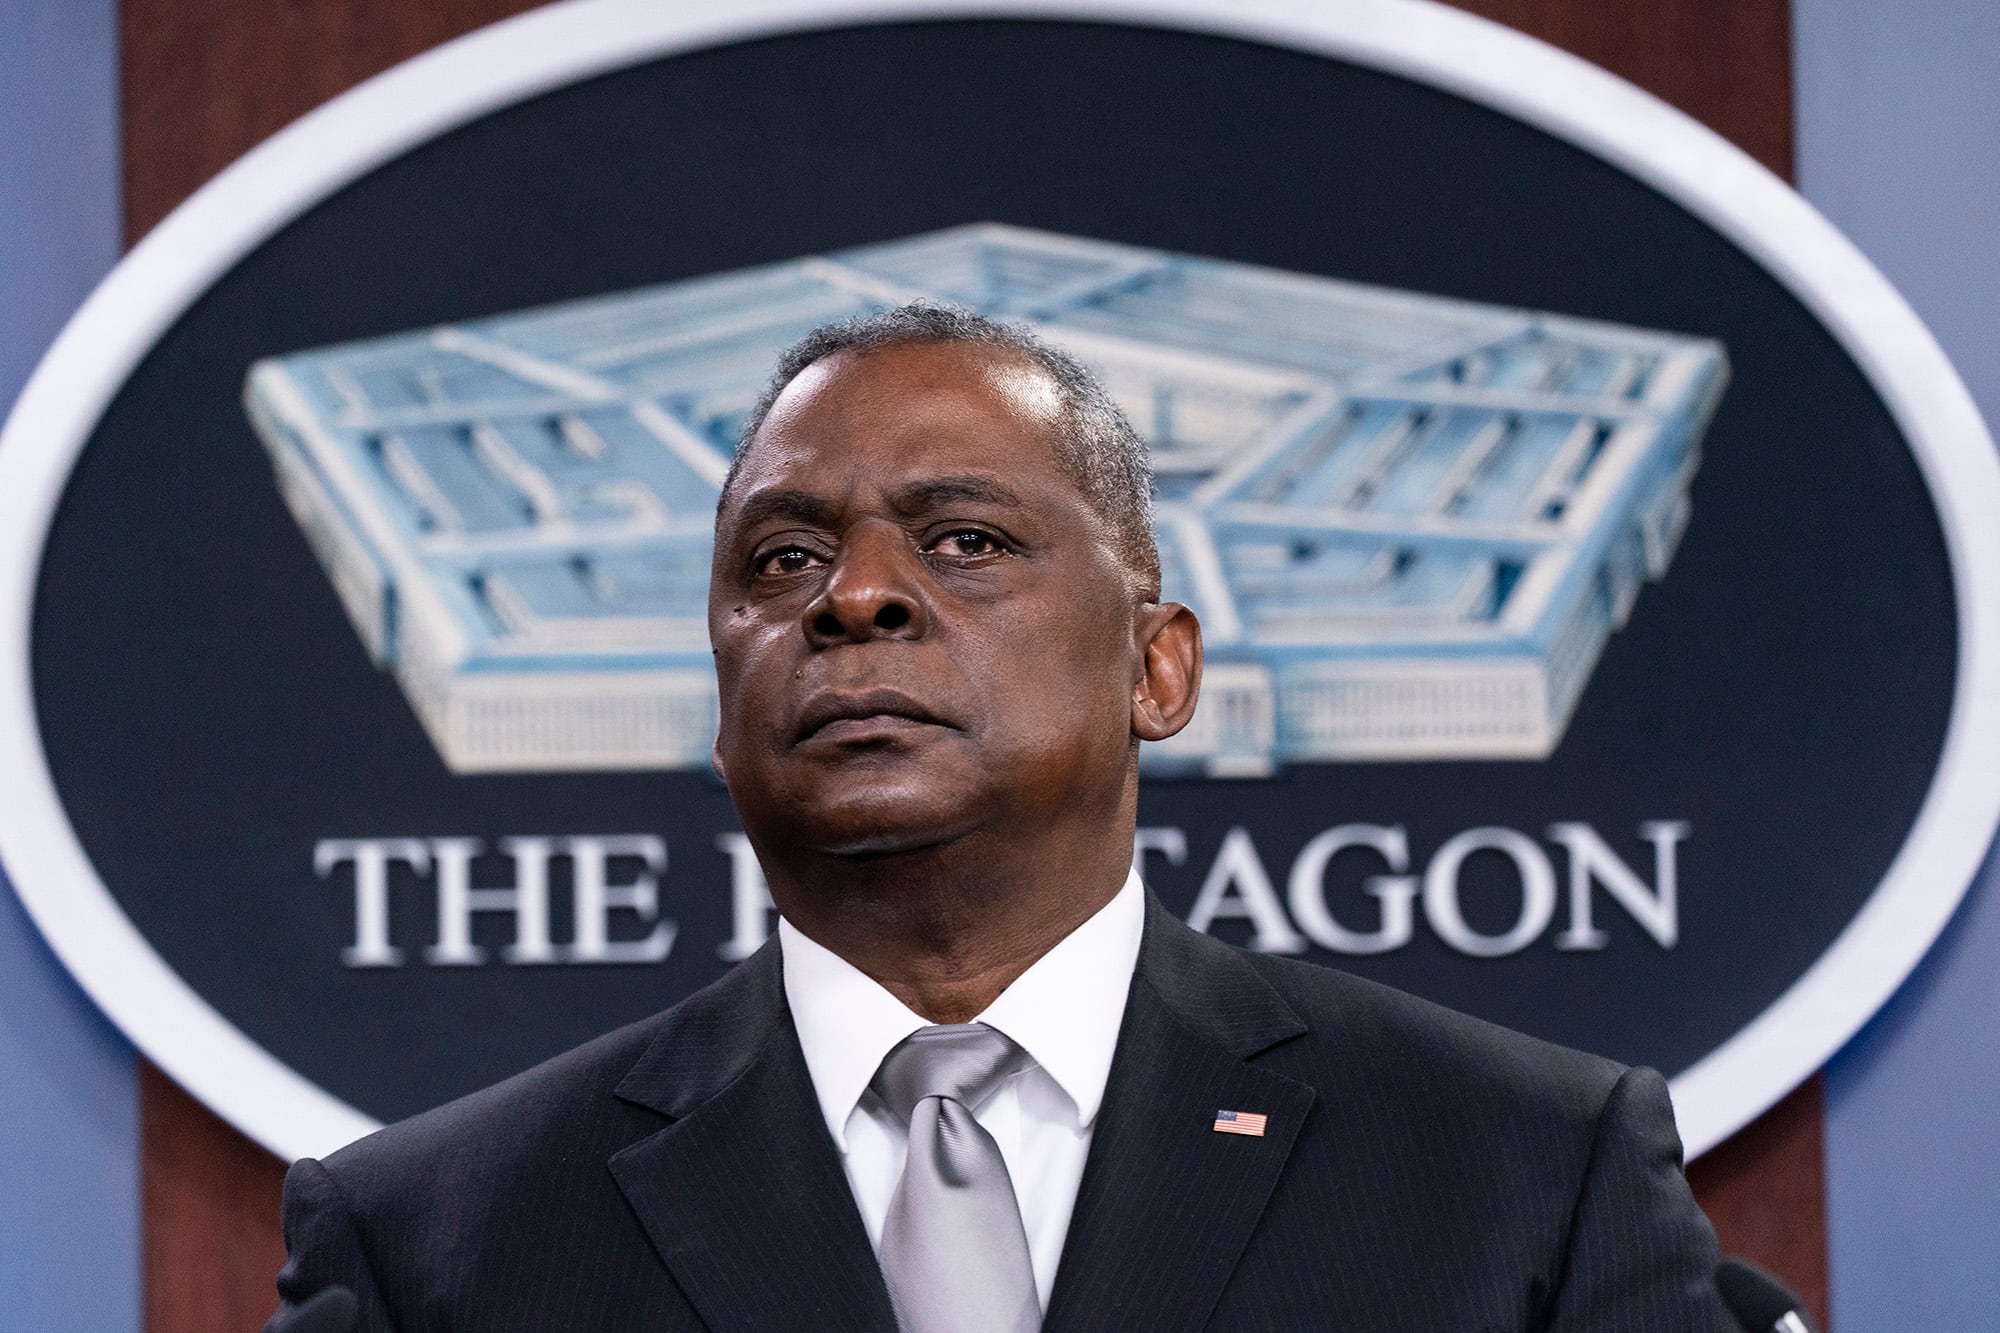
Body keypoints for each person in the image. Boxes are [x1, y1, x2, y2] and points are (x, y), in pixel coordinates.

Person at [267, 305, 1733, 1331]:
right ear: (719, 699)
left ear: (1158, 668)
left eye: (965, 539)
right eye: (781, 559)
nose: (853, 595)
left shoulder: (1526, 1166)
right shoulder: (432, 1237)